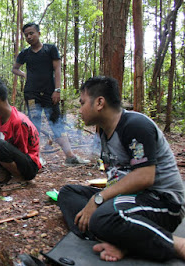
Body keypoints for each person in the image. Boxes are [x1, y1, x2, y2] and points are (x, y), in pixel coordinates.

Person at [57, 76, 185, 262]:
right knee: (68, 194)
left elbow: (145, 177)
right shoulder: (104, 132)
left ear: (100, 102)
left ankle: (175, 244)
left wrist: (98, 198)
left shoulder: (135, 125)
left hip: (162, 202)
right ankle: (119, 239)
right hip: (128, 200)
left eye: (82, 103)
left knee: (101, 216)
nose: (80, 110)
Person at [12, 22, 88, 166]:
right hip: (31, 95)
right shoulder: (25, 53)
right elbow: (15, 69)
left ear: (39, 33)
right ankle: (35, 157)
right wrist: (25, 75)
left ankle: (70, 156)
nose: (29, 37)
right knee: (34, 125)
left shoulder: (50, 49)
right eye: (26, 35)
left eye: (31, 33)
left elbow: (57, 69)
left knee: (56, 122)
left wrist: (57, 90)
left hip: (49, 93)